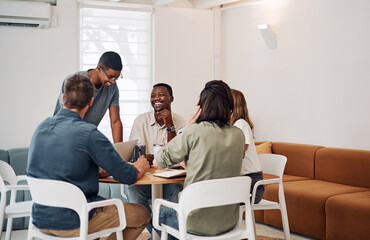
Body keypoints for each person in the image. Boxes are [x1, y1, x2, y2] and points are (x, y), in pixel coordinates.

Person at [28, 74, 150, 240]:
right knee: (142, 214)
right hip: (74, 220)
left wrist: (96, 171)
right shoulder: (89, 134)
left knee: (100, 204)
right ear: (91, 102)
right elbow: (127, 176)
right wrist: (139, 167)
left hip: (41, 218)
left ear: (63, 98)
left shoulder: (41, 127)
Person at [153, 80, 245, 239]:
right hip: (229, 221)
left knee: (158, 212)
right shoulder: (238, 135)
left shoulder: (192, 132)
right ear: (230, 106)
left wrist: (186, 127)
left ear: (200, 105)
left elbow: (158, 160)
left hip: (194, 223)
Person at [128, 83, 186, 239]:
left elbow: (177, 155)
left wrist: (170, 126)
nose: (156, 99)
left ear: (171, 99)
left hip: (170, 181)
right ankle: (165, 234)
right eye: (153, 95)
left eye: (161, 95)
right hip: (147, 180)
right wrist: (156, 157)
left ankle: (166, 235)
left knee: (176, 192)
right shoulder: (141, 121)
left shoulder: (181, 122)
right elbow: (137, 153)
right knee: (132, 190)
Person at [54, 51, 123, 143]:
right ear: (98, 68)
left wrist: (120, 151)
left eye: (116, 78)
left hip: (84, 137)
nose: (113, 81)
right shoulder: (75, 81)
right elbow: (69, 117)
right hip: (63, 136)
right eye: (110, 77)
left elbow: (115, 122)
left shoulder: (112, 88)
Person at [230, 89, 264, 203]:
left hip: (252, 185)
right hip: (243, 181)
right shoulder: (234, 126)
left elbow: (241, 150)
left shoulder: (241, 124)